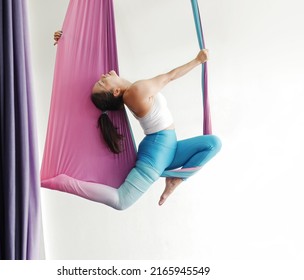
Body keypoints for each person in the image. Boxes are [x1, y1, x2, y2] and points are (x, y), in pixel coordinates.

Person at [50, 31, 221, 209]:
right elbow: (170, 76)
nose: (102, 77)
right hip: (157, 151)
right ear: (115, 92)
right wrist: (197, 61)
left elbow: (95, 58)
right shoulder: (136, 91)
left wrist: (70, 40)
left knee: (213, 143)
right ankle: (64, 182)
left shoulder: (132, 91)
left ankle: (177, 179)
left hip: (168, 146)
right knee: (121, 201)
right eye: (102, 83)